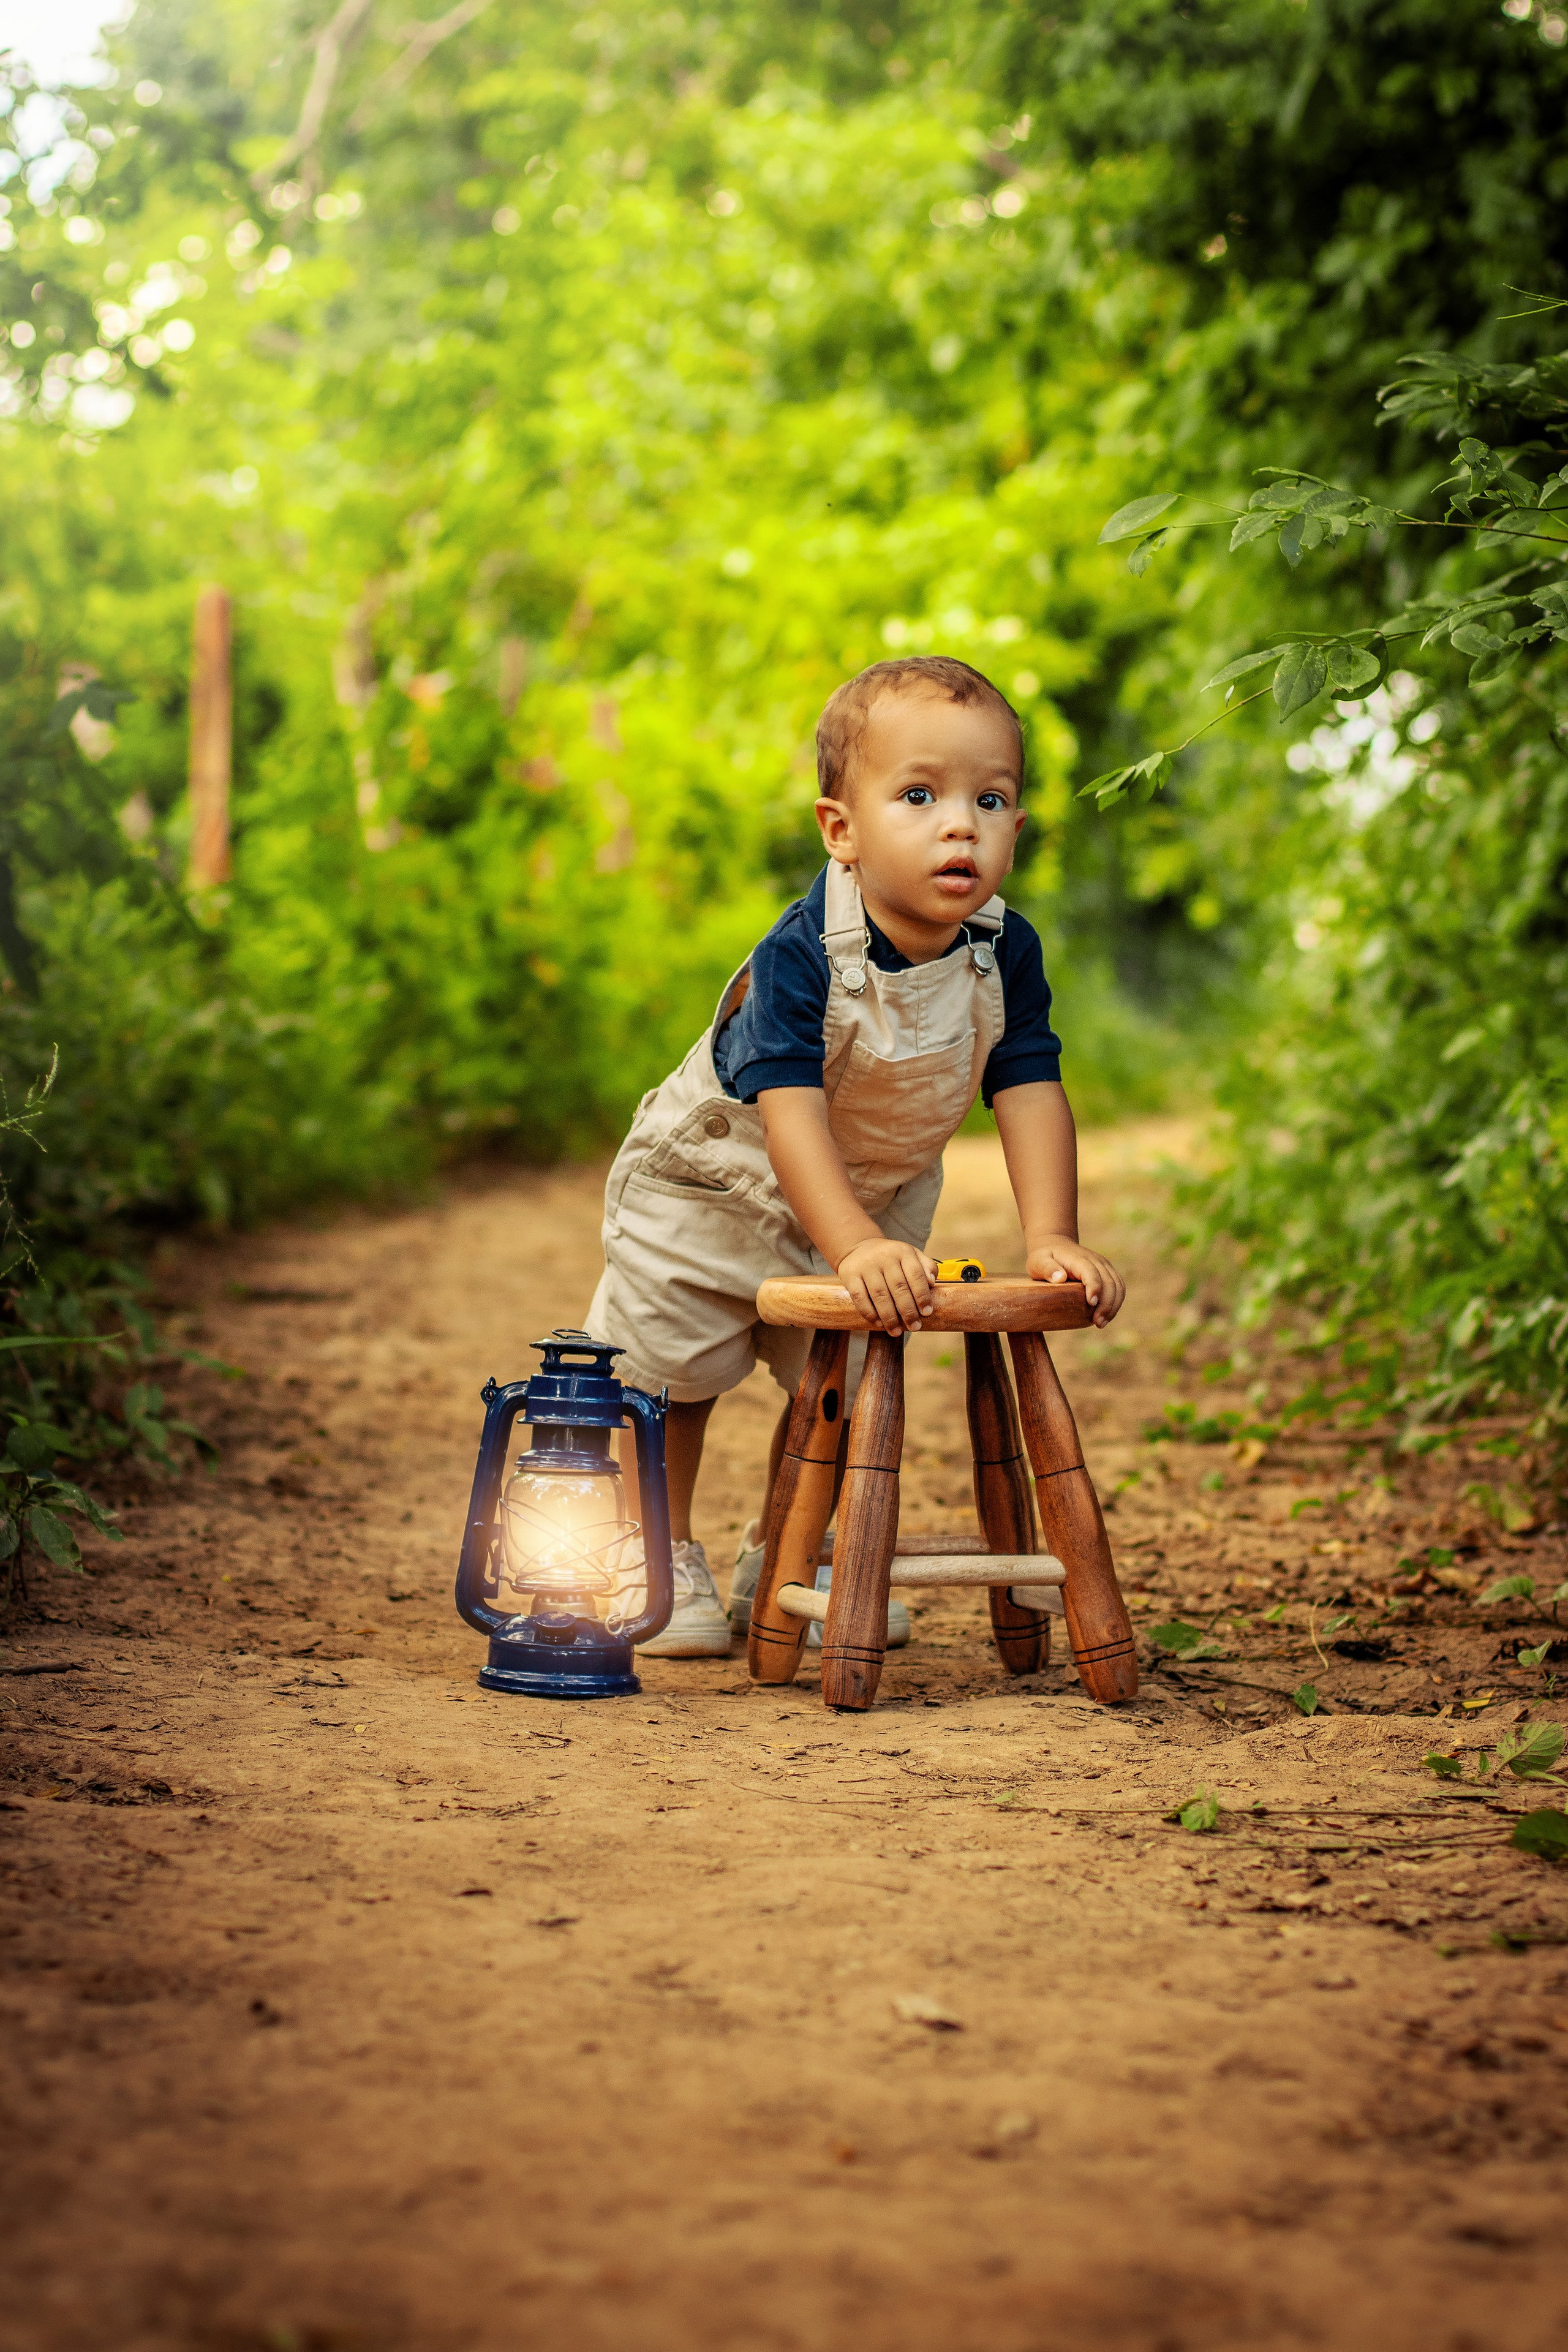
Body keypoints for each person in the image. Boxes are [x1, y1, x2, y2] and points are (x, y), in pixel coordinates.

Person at [585, 654, 1125, 1655]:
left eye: (989, 800)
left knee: (833, 1389)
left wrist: (1052, 1233)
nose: (960, 826)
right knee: (670, 1377)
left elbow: (1029, 1085)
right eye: (919, 796)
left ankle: (784, 1552)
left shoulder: (1004, 951)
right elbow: (790, 1113)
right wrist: (853, 1247)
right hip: (711, 1187)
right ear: (841, 830)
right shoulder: (800, 952)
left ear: (1016, 828)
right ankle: (654, 1551)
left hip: (865, 1196)